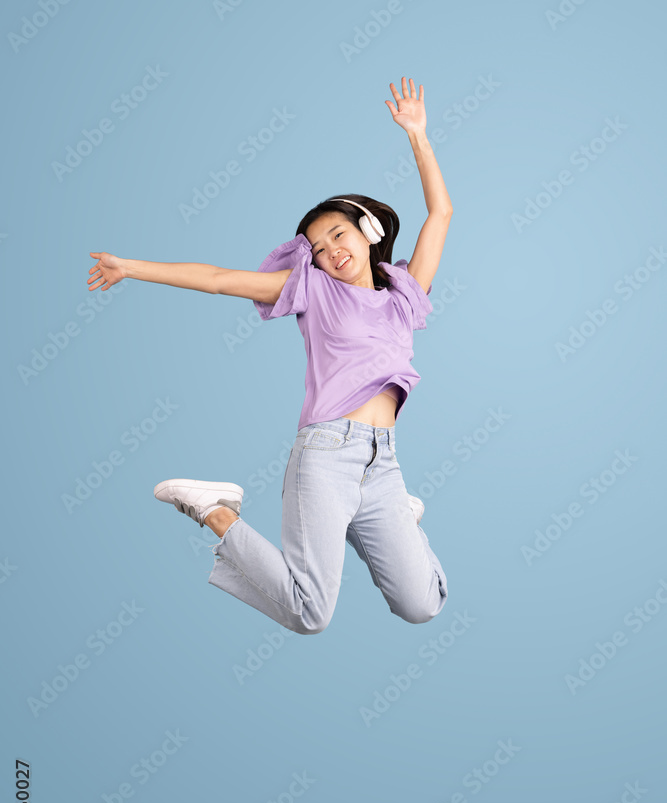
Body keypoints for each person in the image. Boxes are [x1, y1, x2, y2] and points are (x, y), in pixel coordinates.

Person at [87, 77, 454, 635]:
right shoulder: (313, 290)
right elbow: (215, 280)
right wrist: (131, 267)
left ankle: (400, 517)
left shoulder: (404, 295)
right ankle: (214, 509)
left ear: (368, 231)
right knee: (311, 614)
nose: (332, 251)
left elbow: (441, 214)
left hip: (385, 463)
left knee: (422, 605)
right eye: (320, 247)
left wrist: (418, 136)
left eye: (339, 234)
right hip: (328, 455)